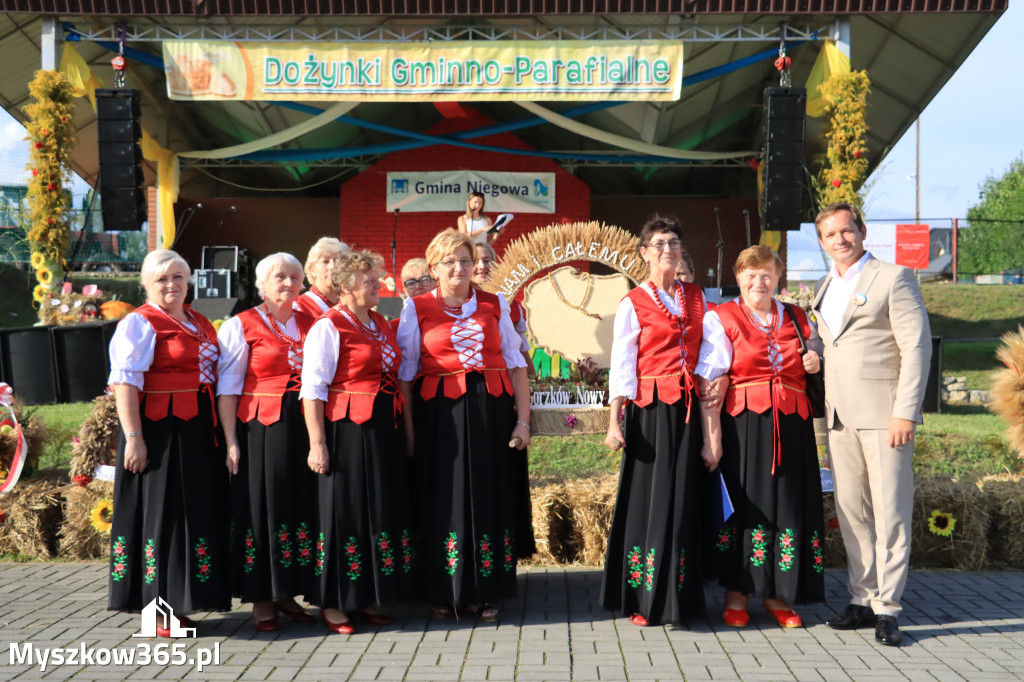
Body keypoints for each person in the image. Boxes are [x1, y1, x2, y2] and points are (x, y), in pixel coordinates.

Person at [397, 228, 531, 622]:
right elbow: (406, 374)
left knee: (488, 497)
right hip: (439, 416)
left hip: (491, 411)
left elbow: (517, 364)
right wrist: (409, 431)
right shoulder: (416, 308)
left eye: (466, 260)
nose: (459, 267)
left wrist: (523, 421)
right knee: (443, 497)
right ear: (434, 268)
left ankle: (484, 590)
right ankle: (442, 589)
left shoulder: (495, 304)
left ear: (476, 266)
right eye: (450, 261)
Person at [813, 202, 932, 647]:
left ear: (861, 231)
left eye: (847, 231)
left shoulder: (895, 277)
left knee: (891, 513)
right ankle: (861, 599)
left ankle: (888, 608)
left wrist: (905, 411)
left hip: (885, 417)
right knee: (851, 513)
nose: (840, 240)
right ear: (822, 242)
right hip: (840, 419)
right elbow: (833, 346)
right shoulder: (824, 285)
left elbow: (917, 349)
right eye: (830, 235)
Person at [697, 245, 825, 629]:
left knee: (787, 505)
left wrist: (816, 361)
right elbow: (709, 382)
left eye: (767, 273)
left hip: (793, 426)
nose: (759, 281)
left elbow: (819, 357)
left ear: (778, 278)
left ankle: (777, 594)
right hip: (743, 428)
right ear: (738, 279)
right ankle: (737, 593)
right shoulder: (722, 318)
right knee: (747, 506)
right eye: (750, 275)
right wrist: (712, 438)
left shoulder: (800, 318)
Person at [107, 249, 229, 635]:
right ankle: (155, 610)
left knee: (190, 514)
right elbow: (125, 383)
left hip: (195, 429)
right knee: (161, 516)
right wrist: (134, 438)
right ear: (145, 284)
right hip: (158, 432)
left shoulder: (199, 321)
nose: (171, 285)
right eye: (161, 279)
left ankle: (178, 601)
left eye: (178, 277)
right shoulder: (138, 324)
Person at [599, 215, 709, 627]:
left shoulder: (698, 297)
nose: (668, 249)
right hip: (650, 411)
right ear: (644, 253)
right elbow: (623, 365)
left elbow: (712, 352)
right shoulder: (634, 302)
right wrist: (615, 422)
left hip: (690, 410)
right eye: (659, 243)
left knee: (684, 500)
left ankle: (681, 598)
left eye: (674, 242)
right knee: (651, 502)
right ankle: (643, 597)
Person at [302, 250, 416, 635]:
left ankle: (366, 596)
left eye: (378, 279)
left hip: (384, 428)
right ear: (347, 285)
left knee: (377, 509)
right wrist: (317, 444)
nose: (379, 286)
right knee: (345, 511)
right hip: (347, 430)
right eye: (371, 281)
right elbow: (313, 389)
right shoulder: (329, 326)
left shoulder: (380, 322)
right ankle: (334, 602)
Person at [216, 253, 318, 632]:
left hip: (305, 426)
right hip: (262, 428)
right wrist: (230, 441)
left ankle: (287, 592)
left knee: (298, 507)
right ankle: (262, 597)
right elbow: (227, 388)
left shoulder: (315, 322)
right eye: (280, 276)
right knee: (265, 506)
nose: (288, 282)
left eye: (294, 276)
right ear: (262, 283)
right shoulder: (241, 324)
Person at [294, 237, 350, 317]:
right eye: (325, 261)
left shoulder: (353, 305)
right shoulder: (298, 307)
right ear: (312, 269)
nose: (332, 266)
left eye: (338, 261)